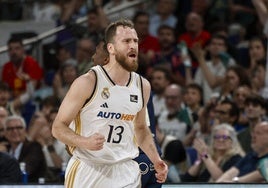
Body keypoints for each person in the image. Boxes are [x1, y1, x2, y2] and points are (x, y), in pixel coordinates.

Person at [51, 19, 168, 187]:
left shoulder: (142, 86)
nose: (133, 46)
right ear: (111, 48)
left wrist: (156, 159)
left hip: (126, 170)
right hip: (89, 168)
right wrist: (85, 142)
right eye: (126, 41)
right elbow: (58, 128)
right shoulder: (88, 82)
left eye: (135, 41)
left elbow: (141, 129)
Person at [92, 39, 163, 188]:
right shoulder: (138, 83)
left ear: (107, 58)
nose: (92, 57)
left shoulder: (111, 87)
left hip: (128, 161)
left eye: (96, 52)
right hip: (149, 158)